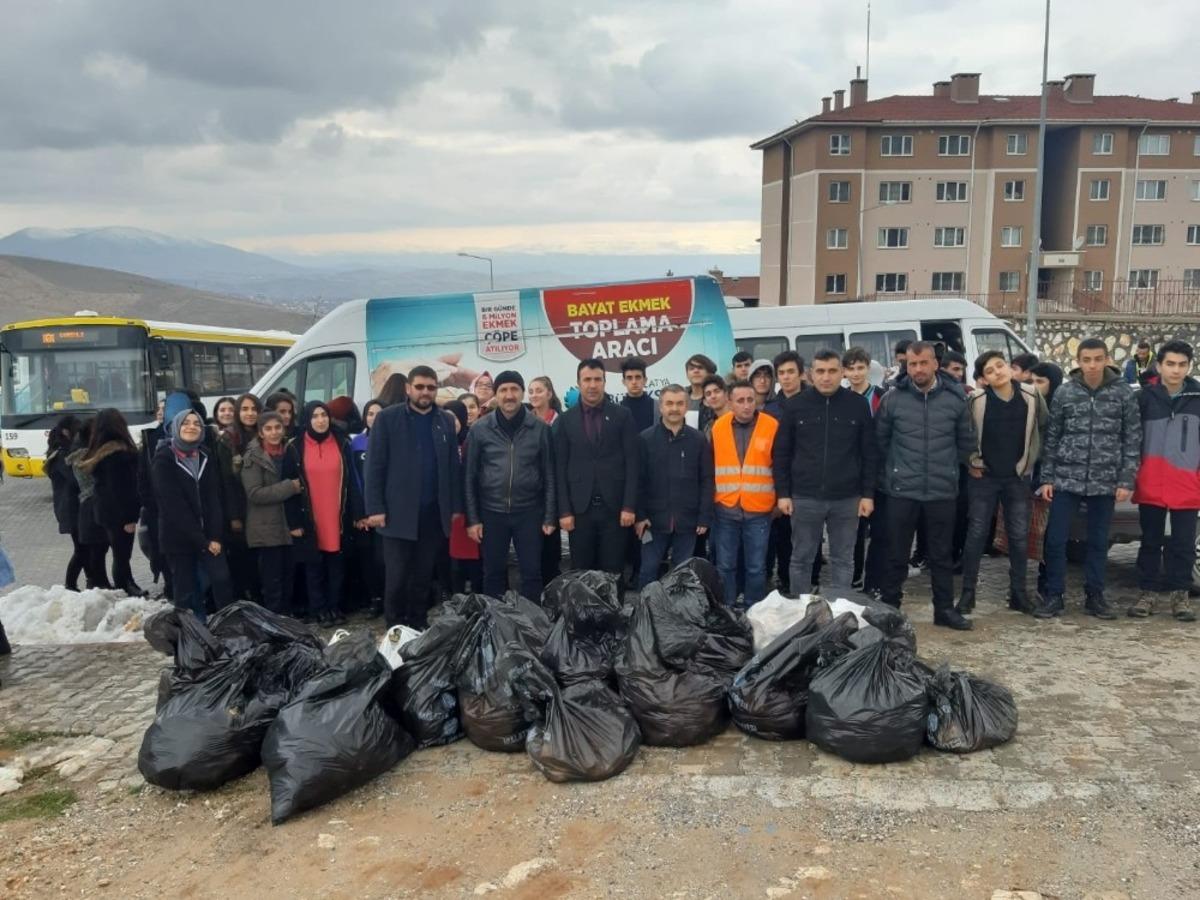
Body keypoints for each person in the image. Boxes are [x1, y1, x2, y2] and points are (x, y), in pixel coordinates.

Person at [1037, 338, 1141, 620]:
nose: (1092, 365)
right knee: (1056, 539)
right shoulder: (1065, 393)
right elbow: (1052, 437)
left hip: (1104, 479)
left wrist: (1125, 479)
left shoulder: (1123, 394)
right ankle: (1054, 595)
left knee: (1097, 541)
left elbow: (1132, 438)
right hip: (1066, 477)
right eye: (1086, 359)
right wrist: (1047, 477)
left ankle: (1095, 596)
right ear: (1079, 361)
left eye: (1097, 359)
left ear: (1107, 359)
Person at [875, 341, 974, 630]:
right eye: (912, 364)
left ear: (935, 364)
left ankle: (944, 610)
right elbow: (880, 443)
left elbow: (965, 443)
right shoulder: (893, 400)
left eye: (923, 363)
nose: (917, 369)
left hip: (941, 491)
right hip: (902, 491)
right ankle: (891, 609)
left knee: (941, 556)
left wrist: (948, 470)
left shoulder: (955, 399)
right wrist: (891, 475)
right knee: (896, 554)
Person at [774, 349, 876, 599]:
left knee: (844, 558)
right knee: (801, 558)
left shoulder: (857, 405)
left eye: (832, 371)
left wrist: (868, 495)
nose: (826, 377)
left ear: (842, 373)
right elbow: (782, 453)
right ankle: (802, 610)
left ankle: (841, 611)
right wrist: (784, 494)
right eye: (820, 371)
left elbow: (869, 453)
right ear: (811, 374)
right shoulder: (796, 406)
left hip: (847, 498)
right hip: (805, 496)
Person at [365, 365, 461, 629]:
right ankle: (395, 627)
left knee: (422, 576)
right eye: (419, 386)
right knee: (396, 578)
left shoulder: (444, 421)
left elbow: (453, 467)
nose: (425, 392)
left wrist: (454, 507)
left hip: (432, 514)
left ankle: (418, 624)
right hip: (397, 514)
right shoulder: (387, 419)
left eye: (431, 387)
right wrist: (375, 507)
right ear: (408, 388)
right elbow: (374, 466)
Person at [958, 351, 1047, 616]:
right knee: (976, 534)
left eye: (1000, 365)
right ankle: (967, 594)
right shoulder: (977, 400)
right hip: (984, 478)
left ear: (1009, 367)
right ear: (983, 379)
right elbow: (964, 434)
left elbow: (1044, 427)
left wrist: (1033, 461)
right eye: (990, 370)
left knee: (1019, 537)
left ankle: (1019, 594)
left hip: (1017, 478)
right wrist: (972, 461)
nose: (997, 372)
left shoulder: (1031, 396)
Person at [463, 371, 557, 600]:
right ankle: (495, 626)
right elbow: (469, 476)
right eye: (503, 390)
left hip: (529, 512)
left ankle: (532, 625)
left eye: (514, 389)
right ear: (496, 394)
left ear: (522, 392)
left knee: (532, 573)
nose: (509, 395)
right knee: (493, 573)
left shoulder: (540, 428)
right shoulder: (480, 429)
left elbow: (549, 474)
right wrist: (473, 519)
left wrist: (549, 516)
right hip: (491, 512)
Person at [1128, 340, 1198, 622]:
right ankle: (1146, 594)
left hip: (1188, 484)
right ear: (1159, 365)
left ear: (1189, 366)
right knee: (1149, 541)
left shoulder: (1198, 397)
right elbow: (1132, 439)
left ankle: (1180, 596)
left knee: (1183, 544)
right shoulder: (1144, 398)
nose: (1176, 370)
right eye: (1170, 364)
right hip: (1152, 481)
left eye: (1182, 364)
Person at [554, 358, 639, 574]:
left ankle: (614, 610)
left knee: (613, 570)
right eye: (587, 380)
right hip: (579, 511)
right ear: (578, 382)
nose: (592, 385)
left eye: (597, 379)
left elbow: (633, 462)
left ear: (604, 381)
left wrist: (629, 506)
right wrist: (564, 510)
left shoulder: (623, 415)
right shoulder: (565, 420)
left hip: (615, 509)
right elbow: (560, 468)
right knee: (581, 571)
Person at [151, 409, 233, 622]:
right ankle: (192, 634)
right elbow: (173, 505)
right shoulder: (164, 457)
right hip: (179, 537)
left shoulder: (205, 454)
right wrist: (201, 540)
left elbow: (214, 497)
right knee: (186, 590)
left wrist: (214, 536)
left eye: (196, 423)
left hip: (209, 537)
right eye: (186, 423)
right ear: (176, 428)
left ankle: (227, 627)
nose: (191, 427)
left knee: (221, 579)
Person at [635, 384, 714, 587]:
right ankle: (648, 615)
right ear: (660, 407)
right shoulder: (645, 439)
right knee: (648, 572)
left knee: (682, 576)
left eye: (679, 403)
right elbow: (637, 481)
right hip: (652, 522)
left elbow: (706, 480)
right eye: (669, 403)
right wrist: (640, 515)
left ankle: (678, 617)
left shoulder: (698, 440)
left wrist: (704, 517)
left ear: (686, 406)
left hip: (687, 521)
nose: (674, 408)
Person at [710, 380, 777, 607]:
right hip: (726, 508)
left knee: (756, 567)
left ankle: (754, 610)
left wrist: (777, 502)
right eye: (740, 401)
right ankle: (727, 609)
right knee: (725, 565)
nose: (747, 405)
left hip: (759, 509)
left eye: (750, 400)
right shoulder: (718, 427)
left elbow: (780, 466)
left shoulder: (771, 426)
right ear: (730, 402)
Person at [282, 401, 350, 626]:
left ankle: (335, 606)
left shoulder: (342, 442)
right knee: (314, 566)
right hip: (310, 515)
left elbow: (353, 481)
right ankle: (318, 609)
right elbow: (288, 487)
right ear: (306, 420)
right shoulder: (294, 447)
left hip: (338, 513)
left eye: (324, 415)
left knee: (337, 566)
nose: (320, 420)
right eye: (315, 416)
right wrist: (293, 520)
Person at [241, 411, 304, 614]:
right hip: (266, 529)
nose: (274, 432)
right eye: (268, 429)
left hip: (288, 524)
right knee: (273, 582)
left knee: (288, 578)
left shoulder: (290, 450)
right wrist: (289, 487)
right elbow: (254, 493)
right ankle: (274, 623)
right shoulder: (253, 457)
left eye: (277, 427)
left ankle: (287, 621)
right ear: (260, 432)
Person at [79, 408, 145, 597]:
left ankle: (127, 584)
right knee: (122, 555)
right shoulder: (120, 455)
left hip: (103, 512)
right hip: (120, 514)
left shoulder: (97, 452)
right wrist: (130, 518)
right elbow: (124, 489)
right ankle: (125, 588)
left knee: (118, 553)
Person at [764, 350, 805, 591]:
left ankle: (805, 583)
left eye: (791, 372)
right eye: (782, 373)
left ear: (801, 373)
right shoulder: (770, 409)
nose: (787, 377)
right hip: (779, 480)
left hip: (808, 481)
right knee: (780, 534)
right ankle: (783, 580)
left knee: (806, 538)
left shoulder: (815, 402)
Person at [216, 393, 261, 601]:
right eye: (245, 409)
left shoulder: (265, 433)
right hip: (240, 508)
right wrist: (234, 515)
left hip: (263, 505)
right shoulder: (228, 439)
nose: (250, 413)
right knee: (242, 560)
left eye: (254, 409)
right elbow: (226, 481)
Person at [346, 399, 386, 614]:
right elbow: (353, 479)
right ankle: (374, 599)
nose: (374, 418)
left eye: (379, 414)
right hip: (363, 515)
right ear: (364, 417)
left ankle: (389, 598)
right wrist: (361, 513)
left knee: (383, 560)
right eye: (370, 414)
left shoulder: (392, 441)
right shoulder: (356, 443)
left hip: (385, 514)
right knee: (367, 560)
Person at [67, 420, 111, 589]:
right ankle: (90, 583)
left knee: (97, 548)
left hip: (88, 506)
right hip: (89, 507)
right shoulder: (85, 457)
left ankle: (98, 582)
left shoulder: (84, 454)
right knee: (90, 550)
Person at [45, 415, 85, 591]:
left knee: (85, 547)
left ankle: (92, 581)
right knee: (82, 548)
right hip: (70, 509)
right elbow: (75, 480)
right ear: (66, 432)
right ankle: (70, 584)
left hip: (72, 507)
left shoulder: (63, 452)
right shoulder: (61, 455)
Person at [843, 346, 883, 414]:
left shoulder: (882, 396)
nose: (856, 374)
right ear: (844, 371)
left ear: (868, 368)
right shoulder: (841, 398)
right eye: (851, 369)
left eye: (860, 368)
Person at [620, 357, 656, 432]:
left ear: (645, 380)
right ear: (623, 382)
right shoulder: (617, 410)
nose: (634, 382)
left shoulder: (658, 407)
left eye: (638, 377)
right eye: (629, 378)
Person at [685, 354, 717, 421]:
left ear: (709, 373)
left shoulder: (718, 397)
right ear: (687, 375)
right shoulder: (681, 397)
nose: (696, 371)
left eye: (700, 368)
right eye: (691, 368)